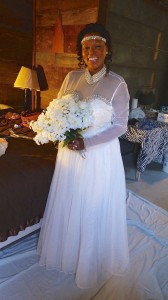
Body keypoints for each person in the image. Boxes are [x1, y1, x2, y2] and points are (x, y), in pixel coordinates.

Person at [37, 22, 130, 289]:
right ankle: (67, 251)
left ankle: (88, 261)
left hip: (98, 156)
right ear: (81, 51)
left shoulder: (117, 83)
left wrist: (87, 144)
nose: (92, 52)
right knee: (69, 201)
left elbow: (120, 126)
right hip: (69, 153)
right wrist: (56, 129)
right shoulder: (71, 77)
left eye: (97, 47)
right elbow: (59, 110)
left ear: (107, 50)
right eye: (87, 47)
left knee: (90, 205)